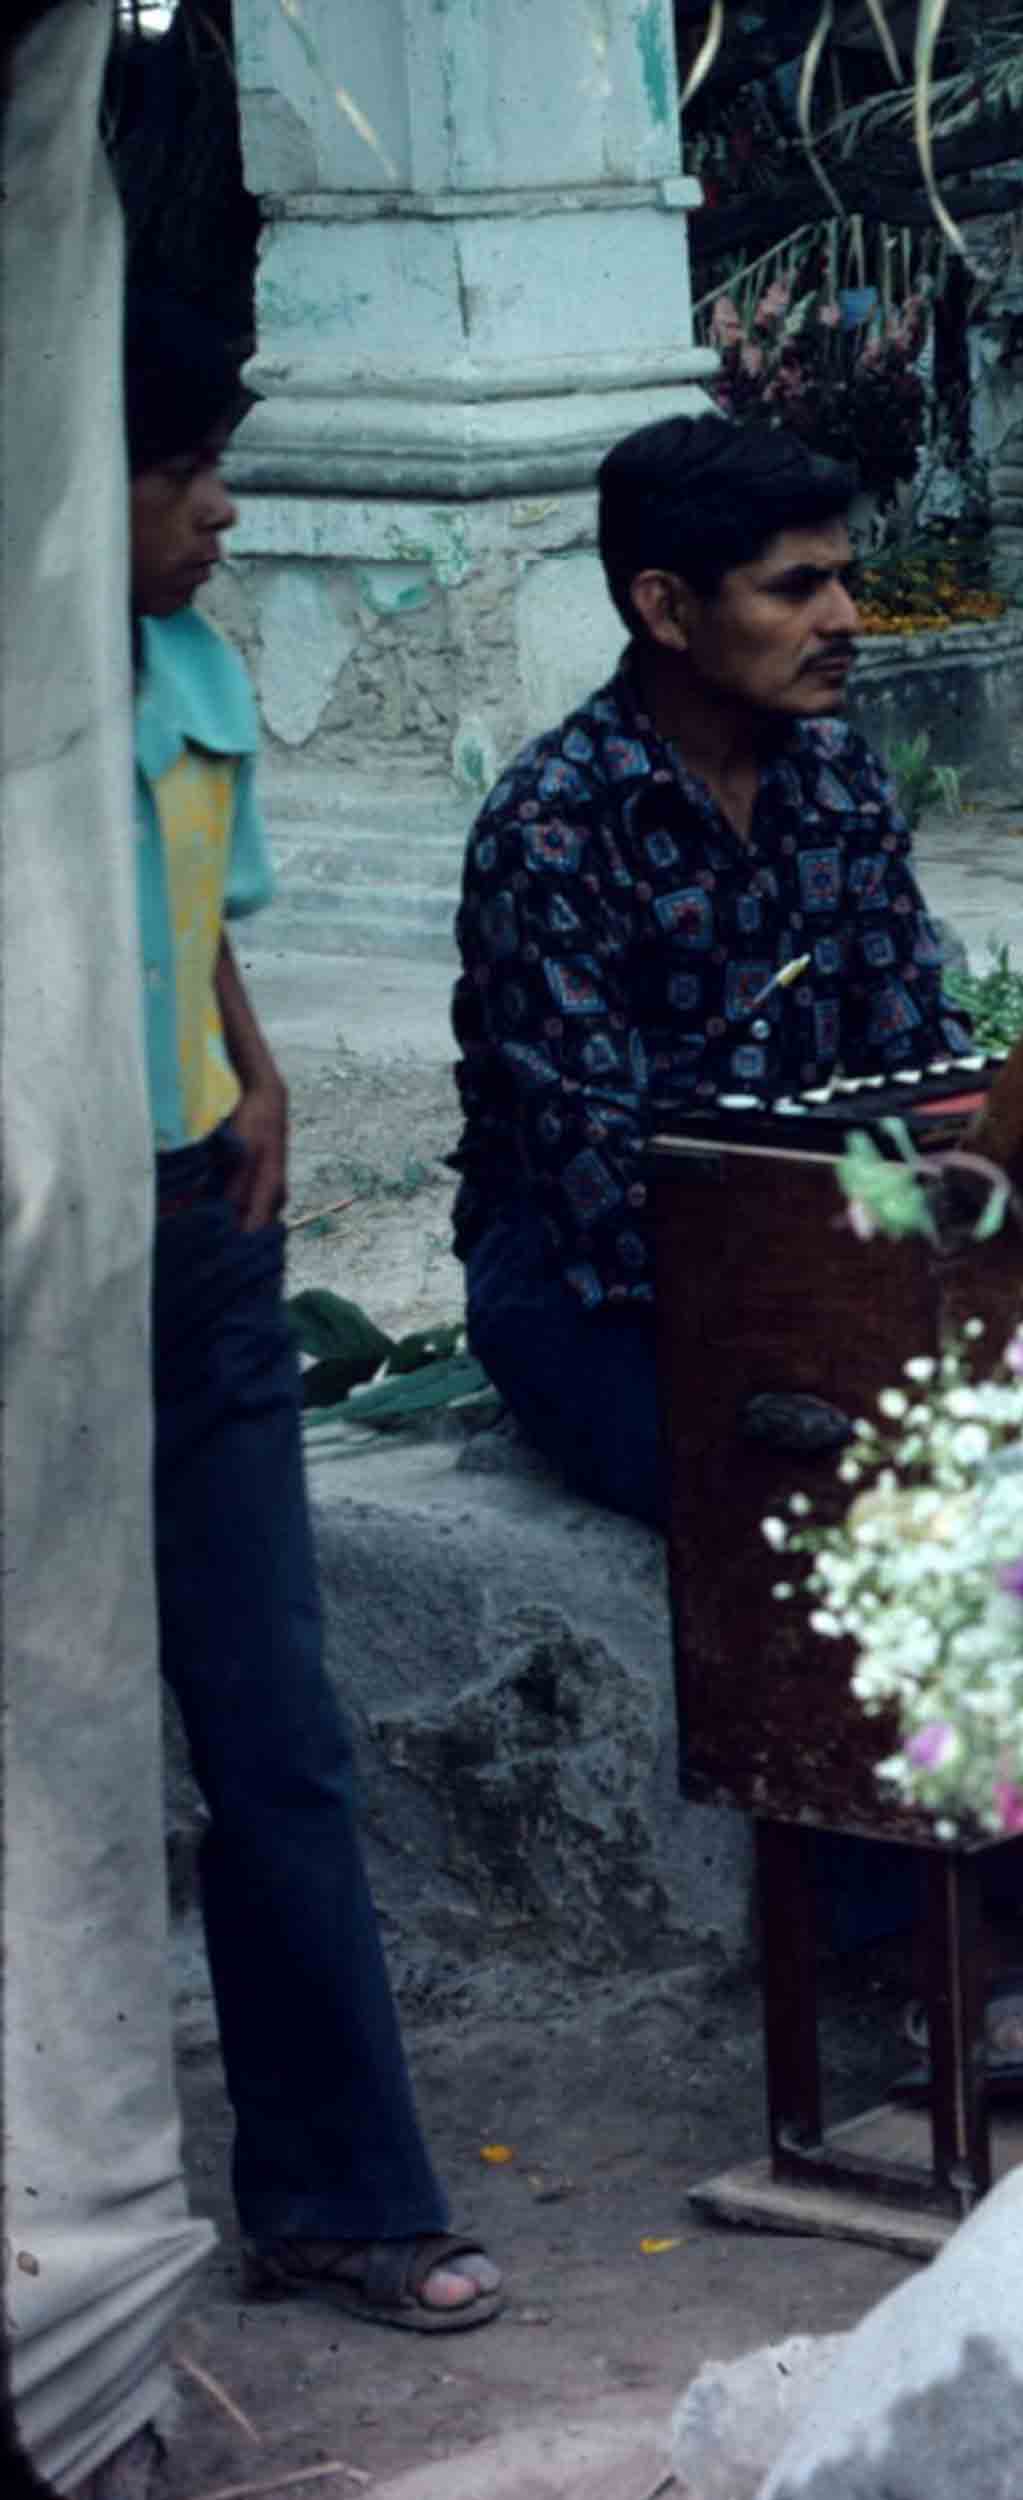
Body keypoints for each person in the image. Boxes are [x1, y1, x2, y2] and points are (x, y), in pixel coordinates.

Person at [448, 417, 1023, 2087]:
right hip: (603, 1300)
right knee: (820, 1476)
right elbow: (602, 1191)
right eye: (794, 587)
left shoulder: (839, 780)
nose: (844, 619)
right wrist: (837, 1324)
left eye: (846, 580)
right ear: (666, 608)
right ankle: (918, 1948)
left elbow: (922, 1068)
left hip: (845, 1260)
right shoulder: (554, 828)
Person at [124, 284, 503, 2333]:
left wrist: (255, 1067)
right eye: (182, 477)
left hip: (198, 1238)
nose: (222, 512)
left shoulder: (191, 664)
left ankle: (343, 2194)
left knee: (276, 1731)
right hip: (44, 1260)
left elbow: (197, 920)